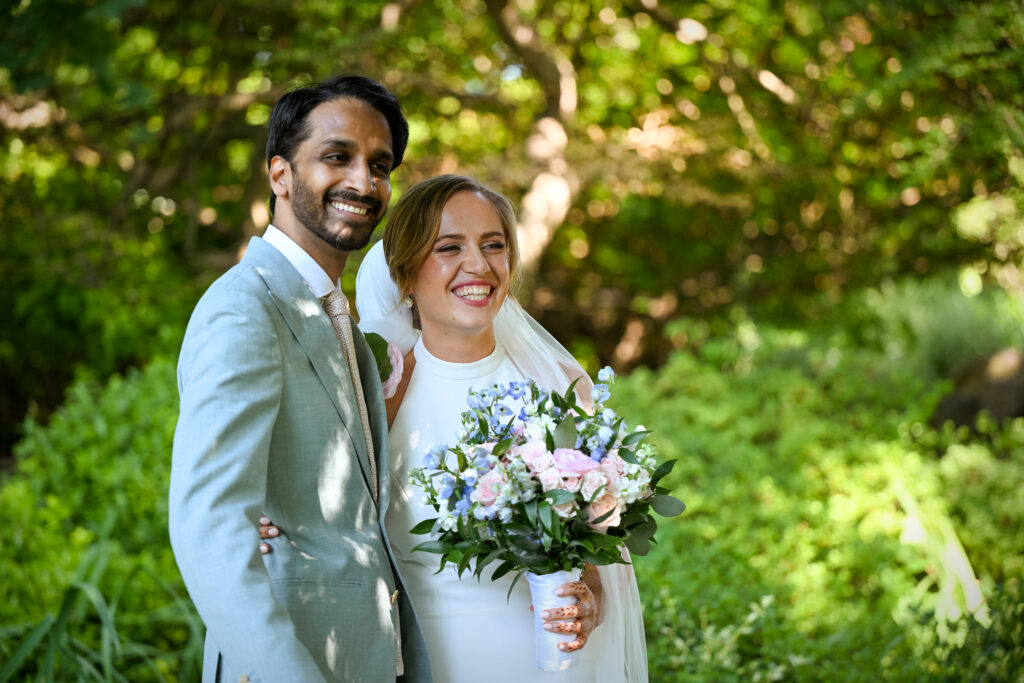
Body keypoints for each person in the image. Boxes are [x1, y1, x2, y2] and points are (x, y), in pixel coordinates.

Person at [263, 175, 648, 681]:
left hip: (544, 662)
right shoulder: (377, 393)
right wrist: (268, 522)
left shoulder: (562, 388)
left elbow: (603, 557)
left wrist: (589, 598)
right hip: (425, 661)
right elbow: (324, 511)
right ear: (405, 274)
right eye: (449, 247)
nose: (479, 265)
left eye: (494, 245)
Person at [169, 75, 431, 683]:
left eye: (380, 165)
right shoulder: (244, 308)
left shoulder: (335, 315)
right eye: (336, 157)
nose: (363, 182)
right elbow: (210, 527)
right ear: (280, 173)